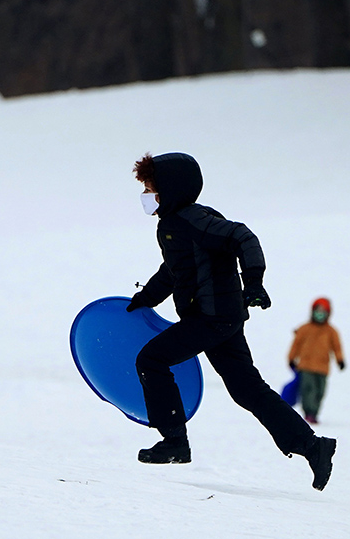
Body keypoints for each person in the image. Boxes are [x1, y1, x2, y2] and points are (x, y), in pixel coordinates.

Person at [127, 152, 337, 491]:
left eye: (152, 187)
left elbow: (243, 237)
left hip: (211, 319)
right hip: (220, 319)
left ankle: (174, 442)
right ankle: (313, 446)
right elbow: (175, 270)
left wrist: (254, 282)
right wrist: (146, 299)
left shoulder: (193, 219)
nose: (147, 194)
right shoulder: (175, 225)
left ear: (171, 188)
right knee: (247, 389)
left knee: (151, 360)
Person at [287, 297, 345, 424]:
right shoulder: (304, 329)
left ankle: (314, 413)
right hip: (305, 366)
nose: (320, 314)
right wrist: (291, 358)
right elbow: (296, 344)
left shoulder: (331, 331)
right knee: (308, 390)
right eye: (318, 310)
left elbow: (337, 347)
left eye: (323, 311)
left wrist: (340, 360)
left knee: (319, 391)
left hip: (322, 368)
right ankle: (309, 412)